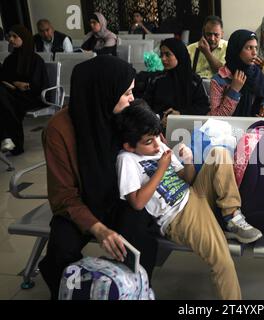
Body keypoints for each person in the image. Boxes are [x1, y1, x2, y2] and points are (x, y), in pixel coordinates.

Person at [114, 100, 263, 299]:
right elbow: (137, 202)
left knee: (219, 154)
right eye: (148, 142)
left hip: (194, 194)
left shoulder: (161, 150)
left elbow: (188, 178)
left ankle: (232, 215)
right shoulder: (127, 160)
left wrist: (189, 161)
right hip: (178, 217)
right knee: (222, 262)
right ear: (129, 146)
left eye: (158, 136)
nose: (157, 144)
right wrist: (161, 168)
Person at [38, 55, 158, 300]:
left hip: (121, 198)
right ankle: (74, 293)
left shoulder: (126, 116)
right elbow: (64, 196)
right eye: (126, 93)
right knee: (60, 251)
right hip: (81, 203)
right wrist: (99, 229)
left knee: (136, 239)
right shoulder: (59, 130)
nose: (132, 99)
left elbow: (153, 146)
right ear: (104, 93)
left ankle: (132, 291)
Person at [209, 29, 264, 122]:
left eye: (255, 47)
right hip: (227, 131)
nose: (254, 53)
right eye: (249, 48)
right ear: (236, 50)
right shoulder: (219, 80)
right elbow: (216, 118)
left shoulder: (255, 73)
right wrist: (234, 91)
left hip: (253, 129)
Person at [0, 25, 49, 155]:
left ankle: (7, 138)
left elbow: (38, 85)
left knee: (4, 100)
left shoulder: (35, 60)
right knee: (4, 98)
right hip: (11, 95)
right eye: (9, 36)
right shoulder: (9, 60)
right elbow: (4, 78)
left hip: (31, 97)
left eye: (15, 36)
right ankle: (9, 140)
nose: (11, 39)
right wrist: (15, 85)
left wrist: (20, 86)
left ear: (24, 38)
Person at [143, 38, 209, 128]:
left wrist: (181, 114)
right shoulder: (156, 79)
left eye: (167, 54)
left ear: (179, 55)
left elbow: (203, 107)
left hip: (188, 127)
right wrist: (159, 119)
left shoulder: (194, 81)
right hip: (159, 127)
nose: (163, 59)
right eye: (161, 55)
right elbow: (145, 107)